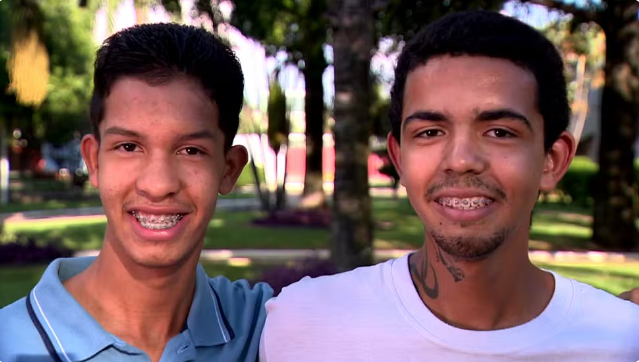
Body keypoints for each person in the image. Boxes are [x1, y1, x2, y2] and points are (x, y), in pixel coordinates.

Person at [259, 10, 639, 361]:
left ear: (552, 160)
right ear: (400, 157)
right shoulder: (302, 324)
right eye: (430, 132)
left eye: (499, 132)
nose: (460, 160)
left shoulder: (620, 340)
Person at [0, 23, 272, 362]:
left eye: (191, 151)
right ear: (93, 161)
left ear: (228, 169)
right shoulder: (10, 346)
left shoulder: (267, 329)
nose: (157, 186)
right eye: (129, 146)